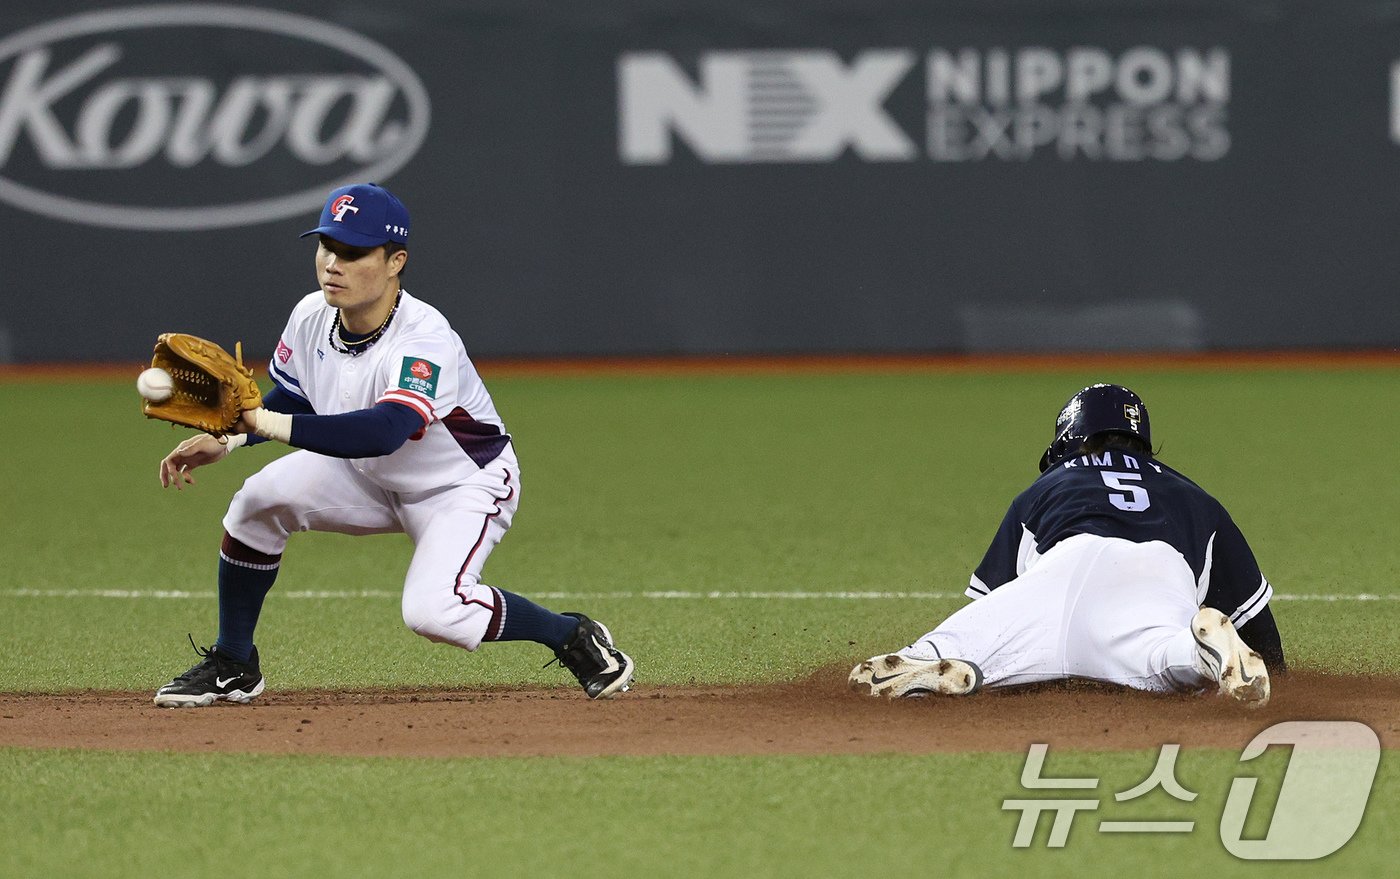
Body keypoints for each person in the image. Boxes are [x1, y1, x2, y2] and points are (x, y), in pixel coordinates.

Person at [152, 183, 634, 707]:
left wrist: (260, 423)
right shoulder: (312, 315)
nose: (333, 263)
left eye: (354, 252)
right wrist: (226, 441)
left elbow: (387, 429)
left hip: (460, 484)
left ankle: (570, 635)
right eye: (326, 246)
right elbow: (294, 396)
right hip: (369, 475)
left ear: (394, 261)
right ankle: (234, 663)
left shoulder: (424, 339)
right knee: (256, 503)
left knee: (433, 613)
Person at [849, 383, 1284, 706]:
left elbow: (991, 601)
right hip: (1156, 574)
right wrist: (1277, 673)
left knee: (977, 638)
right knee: (1164, 658)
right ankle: (1202, 653)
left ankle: (929, 657)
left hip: (1062, 564)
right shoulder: (1196, 497)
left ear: (1068, 440)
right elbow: (1257, 620)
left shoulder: (1046, 487)